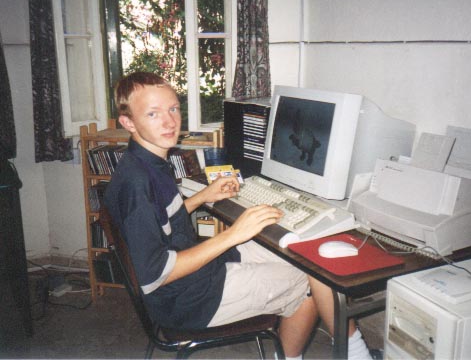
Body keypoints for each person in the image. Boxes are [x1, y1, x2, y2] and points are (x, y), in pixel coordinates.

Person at [103, 72, 373, 360]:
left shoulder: (146, 162)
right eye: (153, 114)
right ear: (128, 122)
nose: (170, 122)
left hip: (196, 276)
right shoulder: (136, 184)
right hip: (189, 300)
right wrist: (232, 235)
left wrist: (202, 198)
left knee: (302, 252)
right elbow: (155, 274)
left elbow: (160, 223)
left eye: (172, 109)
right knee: (312, 279)